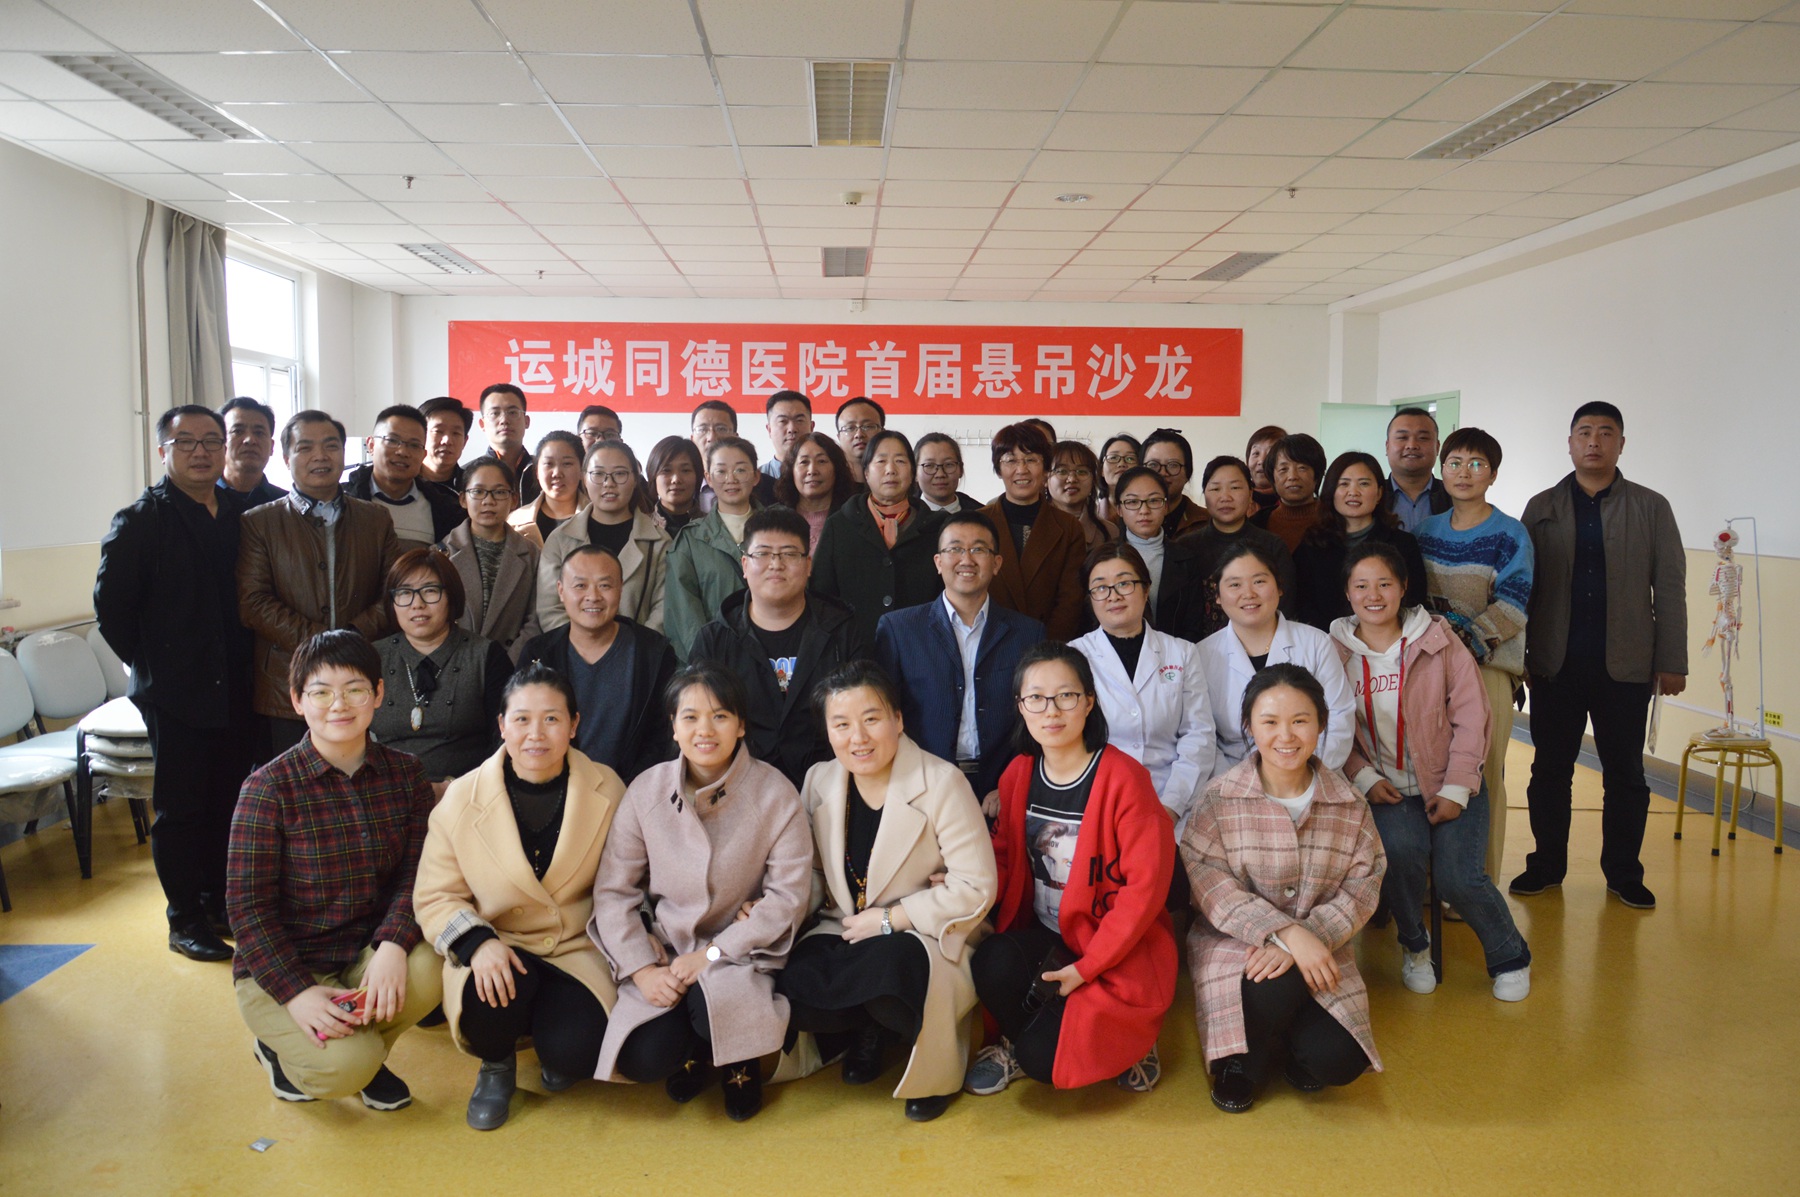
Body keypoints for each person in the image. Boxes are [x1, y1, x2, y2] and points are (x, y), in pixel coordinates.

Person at [226, 630, 441, 1110]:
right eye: (321, 692)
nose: (339, 705)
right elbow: (247, 910)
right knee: (343, 1069)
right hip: (287, 966)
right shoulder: (267, 789)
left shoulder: (406, 774)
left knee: (436, 963)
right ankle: (284, 1048)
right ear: (297, 700)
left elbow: (418, 873)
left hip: (364, 953)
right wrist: (297, 993)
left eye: (355, 689)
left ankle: (362, 1050)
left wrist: (392, 944)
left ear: (378, 694)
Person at [588, 664, 812, 1121]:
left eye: (720, 716)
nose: (705, 730)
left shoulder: (775, 793)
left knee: (715, 1007)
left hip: (739, 950)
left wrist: (712, 954)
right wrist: (641, 969)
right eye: (690, 717)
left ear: (741, 725)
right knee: (643, 1058)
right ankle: (694, 1050)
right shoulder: (646, 790)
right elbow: (613, 892)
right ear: (673, 727)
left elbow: (788, 898)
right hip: (667, 950)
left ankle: (737, 1064)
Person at [413, 661, 629, 1130]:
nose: (536, 734)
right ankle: (496, 1065)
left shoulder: (608, 787)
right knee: (486, 1001)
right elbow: (434, 896)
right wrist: (477, 944)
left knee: (576, 1054)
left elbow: (633, 877)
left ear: (574, 724)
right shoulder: (461, 798)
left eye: (552, 719)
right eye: (522, 719)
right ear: (502, 726)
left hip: (576, 946)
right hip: (500, 943)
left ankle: (555, 1042)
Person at [779, 662, 998, 1123]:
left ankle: (932, 1069)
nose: (858, 737)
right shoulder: (819, 780)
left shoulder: (942, 782)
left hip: (922, 933)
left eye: (872, 719)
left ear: (898, 720)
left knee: (889, 968)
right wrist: (772, 907)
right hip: (843, 927)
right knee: (787, 979)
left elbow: (976, 886)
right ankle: (865, 1030)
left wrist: (889, 919)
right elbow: (812, 874)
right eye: (841, 724)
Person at [964, 643, 1175, 1096]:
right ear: (1021, 706)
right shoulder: (1018, 773)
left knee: (1044, 1062)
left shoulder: (1125, 779)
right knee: (992, 961)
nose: (1051, 710)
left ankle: (1135, 1043)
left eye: (1066, 695)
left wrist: (1089, 966)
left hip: (1113, 945)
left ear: (1089, 702)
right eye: (1036, 698)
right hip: (1049, 936)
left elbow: (1143, 891)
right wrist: (964, 881)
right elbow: (1003, 856)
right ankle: (1023, 1037)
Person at [1330, 544, 1532, 1002]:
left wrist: (1458, 788)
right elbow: (1330, 730)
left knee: (1459, 877)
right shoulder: (1333, 652)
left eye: (1385, 584)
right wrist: (1363, 777)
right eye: (1361, 586)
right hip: (1386, 789)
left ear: (1403, 588)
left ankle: (1510, 955)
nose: (1374, 595)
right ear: (1347, 593)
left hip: (1450, 780)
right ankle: (1415, 946)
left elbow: (1472, 717)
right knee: (1399, 858)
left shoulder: (1438, 640)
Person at [95, 404, 261, 962]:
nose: (200, 451)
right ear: (163, 450)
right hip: (176, 695)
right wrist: (157, 668)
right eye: (185, 441)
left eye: (211, 440)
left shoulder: (241, 512)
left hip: (237, 686)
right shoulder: (141, 521)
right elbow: (112, 612)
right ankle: (184, 918)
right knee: (181, 809)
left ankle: (217, 900)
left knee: (229, 801)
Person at [1181, 664, 1384, 1114]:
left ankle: (1288, 1042)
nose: (1286, 736)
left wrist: (1311, 936)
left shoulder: (1349, 804)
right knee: (1272, 984)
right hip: (1236, 944)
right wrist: (1286, 934)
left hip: (1321, 944)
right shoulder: (1218, 798)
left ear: (1321, 724)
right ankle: (1241, 1061)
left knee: (1339, 1060)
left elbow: (1364, 886)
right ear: (1249, 726)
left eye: (1300, 720)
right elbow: (1209, 884)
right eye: (1270, 722)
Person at [1515, 402, 1686, 910]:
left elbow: (1669, 587)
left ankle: (1625, 874)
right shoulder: (1542, 506)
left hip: (1626, 666)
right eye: (1584, 432)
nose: (1594, 441)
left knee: (1626, 775)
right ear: (1569, 443)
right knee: (1550, 771)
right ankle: (1546, 865)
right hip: (1555, 664)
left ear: (1621, 444)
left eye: (1606, 433)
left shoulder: (1651, 507)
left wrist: (1672, 659)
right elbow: (1522, 587)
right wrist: (1518, 657)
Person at [238, 410, 399, 755]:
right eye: (305, 448)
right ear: (286, 458)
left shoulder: (375, 519)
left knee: (358, 771)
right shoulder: (260, 522)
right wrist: (321, 643)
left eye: (330, 446)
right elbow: (254, 602)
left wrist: (352, 637)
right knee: (294, 781)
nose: (320, 456)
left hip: (360, 675)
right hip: (286, 684)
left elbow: (393, 592)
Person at [1414, 427, 1534, 884]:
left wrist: (1460, 647)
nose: (1465, 472)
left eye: (1477, 464)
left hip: (1486, 671)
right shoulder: (1425, 532)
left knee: (1481, 778)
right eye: (1455, 463)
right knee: (1432, 772)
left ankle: (1476, 884)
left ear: (1493, 475)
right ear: (1441, 470)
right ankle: (1433, 882)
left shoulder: (1510, 534)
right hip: (1429, 670)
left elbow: (1514, 603)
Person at [874, 512, 1046, 811]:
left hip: (1002, 788)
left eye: (978, 549)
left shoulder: (1028, 634)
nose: (966, 559)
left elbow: (1037, 717)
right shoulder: (899, 629)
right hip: (920, 789)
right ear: (938, 562)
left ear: (996, 563)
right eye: (955, 549)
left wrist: (1014, 782)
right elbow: (885, 715)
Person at [689, 506, 867, 789]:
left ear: (808, 565)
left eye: (789, 554)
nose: (776, 564)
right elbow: (699, 723)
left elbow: (863, 714)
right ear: (745, 565)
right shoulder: (715, 640)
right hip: (739, 787)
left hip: (830, 785)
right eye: (762, 554)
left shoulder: (842, 631)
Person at [1071, 544, 1214, 828]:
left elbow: (1198, 736)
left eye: (1124, 583)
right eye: (1100, 587)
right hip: (1096, 802)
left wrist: (1171, 806)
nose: (1113, 596)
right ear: (1090, 598)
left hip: (1171, 800)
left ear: (1146, 589)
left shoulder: (1182, 652)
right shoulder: (1073, 657)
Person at [519, 547, 678, 783]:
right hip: (555, 787)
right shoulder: (539, 654)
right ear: (561, 591)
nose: (593, 596)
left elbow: (662, 735)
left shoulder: (653, 653)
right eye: (580, 586)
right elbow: (521, 727)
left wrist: (630, 791)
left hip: (634, 789)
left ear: (621, 588)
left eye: (604, 585)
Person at [1198, 542, 1353, 780]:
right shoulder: (1201, 655)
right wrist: (1240, 783)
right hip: (1232, 780)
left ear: (1280, 587)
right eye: (1235, 585)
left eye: (1259, 581)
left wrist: (1296, 779)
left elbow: (1339, 720)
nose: (1248, 593)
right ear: (1217, 596)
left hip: (1312, 776)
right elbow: (1202, 736)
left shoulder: (1316, 643)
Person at [369, 548, 512, 794]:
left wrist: (456, 789)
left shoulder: (487, 655)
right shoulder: (373, 657)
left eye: (430, 591)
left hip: (468, 794)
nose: (417, 604)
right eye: (404, 593)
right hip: (386, 796)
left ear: (451, 598)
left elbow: (505, 738)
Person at [812, 430, 947, 647]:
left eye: (900, 461)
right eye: (881, 461)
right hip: (853, 648)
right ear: (866, 472)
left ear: (913, 472)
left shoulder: (938, 528)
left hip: (920, 648)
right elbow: (821, 595)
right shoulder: (839, 525)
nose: (890, 470)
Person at [536, 440, 670, 634]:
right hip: (572, 650)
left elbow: (662, 610)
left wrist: (634, 647)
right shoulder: (560, 539)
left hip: (639, 649)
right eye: (598, 474)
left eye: (620, 474)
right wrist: (585, 645)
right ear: (584, 478)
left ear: (635, 479)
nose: (609, 483)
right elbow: (550, 610)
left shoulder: (659, 542)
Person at [1292, 451, 1427, 631]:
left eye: (1364, 484)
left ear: (1379, 493)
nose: (1353, 492)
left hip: (1391, 640)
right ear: (1331, 492)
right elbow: (1303, 604)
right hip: (1326, 640)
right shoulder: (1312, 544)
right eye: (1344, 484)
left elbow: (1414, 601)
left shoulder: (1403, 544)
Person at [979, 422, 1087, 641]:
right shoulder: (978, 523)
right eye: (1011, 460)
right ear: (998, 469)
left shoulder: (1068, 527)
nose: (1021, 469)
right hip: (987, 640)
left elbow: (1070, 600)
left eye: (1031, 460)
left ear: (1046, 469)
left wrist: (1045, 648)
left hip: (1046, 644)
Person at [664, 436, 760, 661]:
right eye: (721, 471)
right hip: (716, 663)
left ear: (756, 476)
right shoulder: (690, 540)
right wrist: (708, 667)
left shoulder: (779, 529)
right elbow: (684, 618)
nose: (730, 479)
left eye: (740, 470)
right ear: (708, 478)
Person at [438, 456, 541, 660]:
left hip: (509, 665)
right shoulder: (441, 553)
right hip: (454, 663)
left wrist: (506, 664)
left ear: (514, 499)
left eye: (499, 492)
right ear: (463, 499)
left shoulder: (532, 554)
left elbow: (535, 619)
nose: (488, 501)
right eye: (478, 492)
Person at [1187, 455, 1296, 639]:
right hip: (1200, 648)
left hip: (1267, 644)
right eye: (1215, 489)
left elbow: (1285, 606)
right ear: (1204, 495)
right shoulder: (1186, 547)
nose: (1225, 497)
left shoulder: (1272, 546)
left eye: (1235, 487)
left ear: (1251, 494)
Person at [1111, 466, 1211, 644]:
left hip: (1175, 655)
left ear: (1166, 506)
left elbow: (1193, 625)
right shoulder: (1105, 559)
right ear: (1119, 509)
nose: (1144, 510)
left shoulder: (1186, 560)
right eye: (1132, 502)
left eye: (1154, 500)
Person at [343, 404, 465, 551]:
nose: (402, 452)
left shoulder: (445, 510)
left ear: (423, 455)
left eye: (414, 445)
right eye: (392, 440)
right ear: (371, 445)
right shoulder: (341, 501)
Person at [505, 430, 585, 550]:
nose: (557, 473)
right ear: (537, 471)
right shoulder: (514, 522)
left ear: (582, 470)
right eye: (549, 464)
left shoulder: (598, 518)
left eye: (567, 463)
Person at [776, 430, 853, 553]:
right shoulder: (776, 518)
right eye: (804, 462)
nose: (812, 471)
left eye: (821, 461)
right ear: (791, 471)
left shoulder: (852, 518)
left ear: (837, 468)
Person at [1252, 432, 1327, 553]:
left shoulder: (1334, 520)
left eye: (1302, 468)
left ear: (1317, 475)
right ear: (1273, 478)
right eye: (1283, 469)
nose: (1292, 476)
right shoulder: (1256, 524)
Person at [1382, 406, 1450, 533]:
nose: (1412, 445)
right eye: (1403, 437)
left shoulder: (1453, 496)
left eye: (1423, 438)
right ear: (1387, 446)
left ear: (1437, 447)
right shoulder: (1372, 495)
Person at [1048, 440, 1117, 551]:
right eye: (1062, 471)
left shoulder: (1110, 532)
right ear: (1045, 478)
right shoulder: (1031, 525)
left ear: (1093, 480)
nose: (1072, 479)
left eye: (1082, 472)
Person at [219, 395, 287, 508]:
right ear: (220, 442)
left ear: (272, 447)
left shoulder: (287, 506)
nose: (250, 440)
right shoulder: (200, 499)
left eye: (259, 433)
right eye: (238, 431)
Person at [1141, 428, 1208, 539]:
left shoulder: (1207, 522)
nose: (1163, 473)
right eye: (1153, 465)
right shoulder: (1122, 522)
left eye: (1173, 465)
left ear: (1187, 473)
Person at [478, 384, 537, 503]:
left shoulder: (543, 470)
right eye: (495, 413)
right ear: (482, 424)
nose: (504, 420)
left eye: (513, 412)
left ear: (526, 421)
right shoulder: (469, 474)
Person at [759, 389, 815, 504]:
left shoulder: (824, 476)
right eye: (782, 421)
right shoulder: (756, 479)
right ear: (769, 430)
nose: (792, 429)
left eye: (799, 420)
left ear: (811, 427)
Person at [646, 434, 704, 539]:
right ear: (653, 476)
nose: (676, 479)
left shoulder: (714, 526)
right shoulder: (640, 526)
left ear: (698, 476)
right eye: (666, 470)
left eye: (685, 470)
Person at [689, 399, 739, 514]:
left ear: (735, 437)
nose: (711, 437)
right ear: (692, 439)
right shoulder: (683, 483)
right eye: (702, 429)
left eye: (721, 429)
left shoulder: (758, 484)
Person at [915, 433, 981, 514]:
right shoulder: (905, 517)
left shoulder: (982, 515)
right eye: (929, 465)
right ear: (914, 472)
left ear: (961, 469)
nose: (940, 474)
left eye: (949, 465)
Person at [418, 396, 472, 490]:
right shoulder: (402, 482)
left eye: (456, 433)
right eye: (438, 431)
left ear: (464, 442)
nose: (447, 441)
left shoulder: (473, 487)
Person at [835, 397, 885, 487]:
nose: (859, 434)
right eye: (850, 428)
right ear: (839, 437)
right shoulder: (829, 482)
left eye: (868, 426)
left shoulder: (894, 477)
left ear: (882, 432)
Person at [1094, 434, 1141, 525]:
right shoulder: (1091, 516)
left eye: (1130, 458)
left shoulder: (1153, 510)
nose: (1121, 464)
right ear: (1101, 470)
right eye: (1113, 458)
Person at [1243, 425, 1286, 515]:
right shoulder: (1237, 500)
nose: (1262, 461)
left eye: (1270, 453)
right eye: (1256, 453)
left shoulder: (1293, 500)